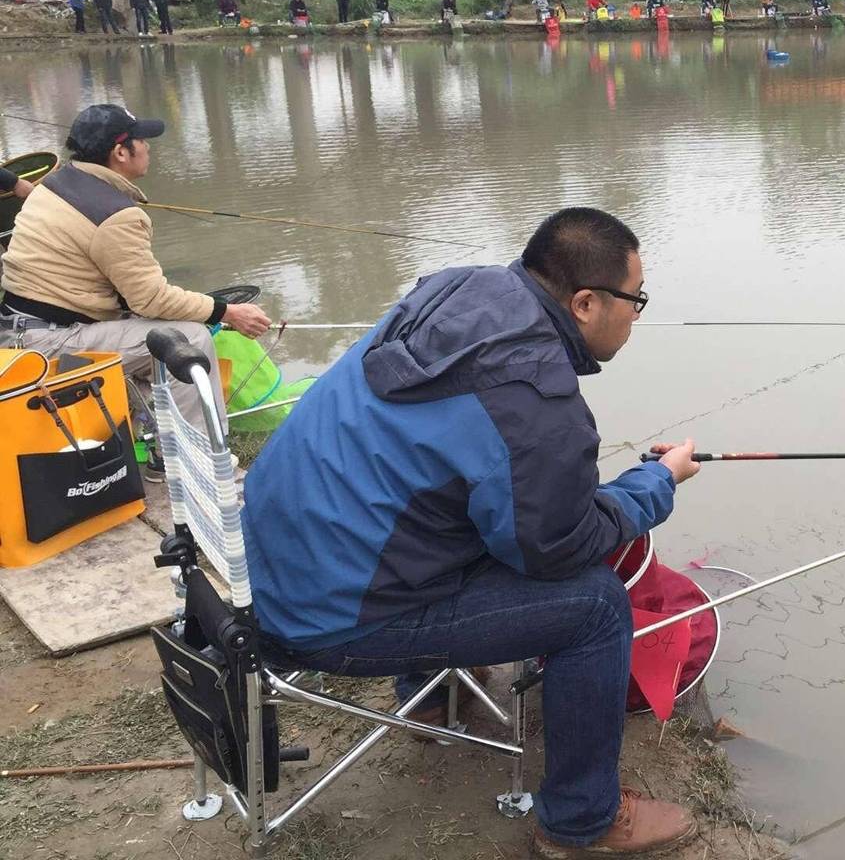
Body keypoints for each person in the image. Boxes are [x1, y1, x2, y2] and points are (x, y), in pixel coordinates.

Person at [239, 208, 700, 857]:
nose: (639, 315)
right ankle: (580, 821)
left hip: (263, 567)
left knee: (459, 499)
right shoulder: (538, 404)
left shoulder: (459, 289)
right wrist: (654, 486)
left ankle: (435, 701)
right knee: (595, 607)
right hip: (325, 616)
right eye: (636, 300)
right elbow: (558, 547)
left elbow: (496, 483)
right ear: (588, 303)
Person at [0, 105, 271, 432]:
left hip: (18, 329)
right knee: (191, 338)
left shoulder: (54, 184)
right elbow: (151, 300)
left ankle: (153, 438)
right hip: (46, 343)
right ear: (121, 152)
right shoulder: (116, 215)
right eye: (142, 140)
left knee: (149, 328)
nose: (148, 147)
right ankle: (204, 466)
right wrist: (227, 312)